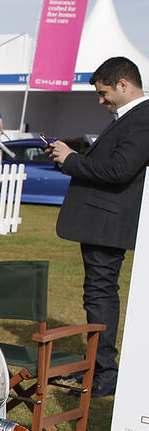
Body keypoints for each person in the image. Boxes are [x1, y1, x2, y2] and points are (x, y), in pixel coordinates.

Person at [48, 56, 149, 397]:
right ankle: (98, 366)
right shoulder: (130, 118)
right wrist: (70, 158)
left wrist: (74, 160)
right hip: (100, 222)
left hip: (108, 224)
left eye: (104, 93)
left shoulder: (143, 118)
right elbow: (110, 164)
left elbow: (120, 170)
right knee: (96, 293)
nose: (100, 100)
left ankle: (105, 373)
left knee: (101, 293)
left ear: (124, 84)